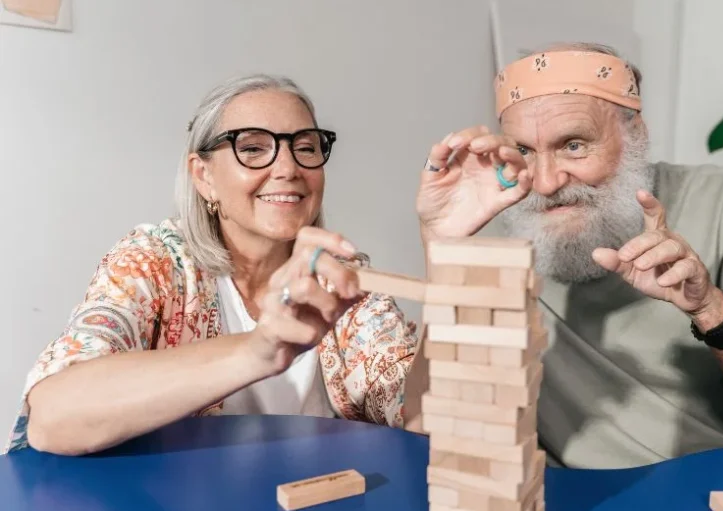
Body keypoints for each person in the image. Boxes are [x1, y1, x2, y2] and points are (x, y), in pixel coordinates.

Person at [414, 42, 723, 469]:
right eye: (524, 150)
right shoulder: (507, 234)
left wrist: (710, 309)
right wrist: (441, 246)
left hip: (713, 495)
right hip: (564, 503)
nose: (544, 183)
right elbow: (432, 426)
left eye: (574, 145)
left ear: (636, 135)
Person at [5, 74, 418, 456]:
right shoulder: (154, 261)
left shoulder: (342, 282)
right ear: (203, 176)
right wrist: (257, 351)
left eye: (306, 147)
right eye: (253, 148)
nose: (289, 168)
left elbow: (420, 416)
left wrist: (446, 245)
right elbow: (54, 419)